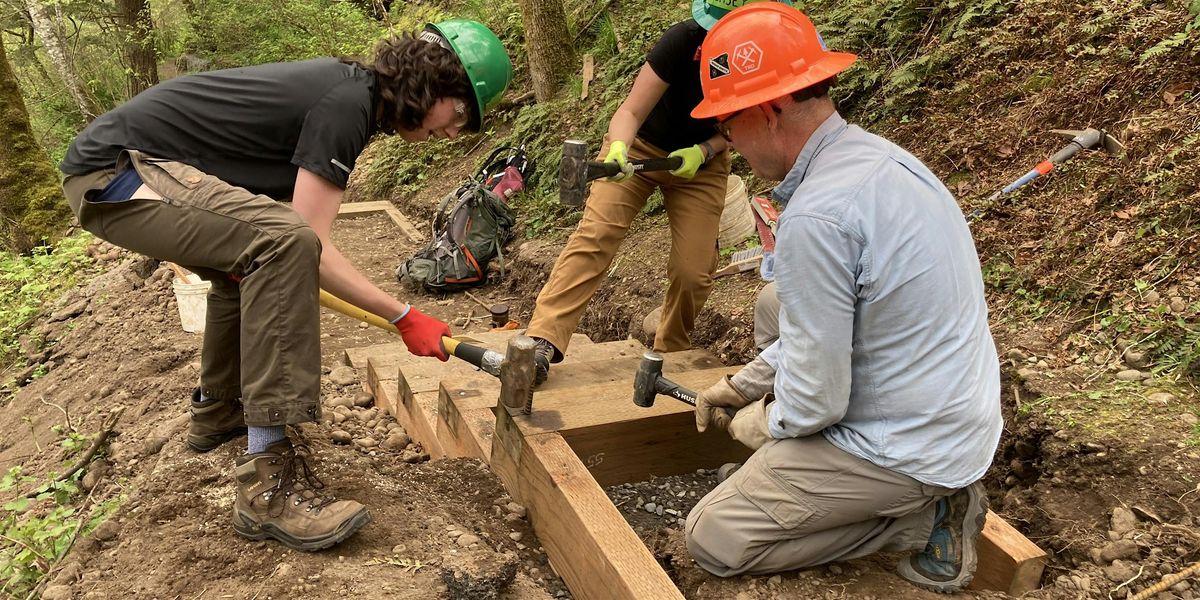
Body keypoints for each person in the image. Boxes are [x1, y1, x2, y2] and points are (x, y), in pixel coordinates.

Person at [58, 21, 512, 551]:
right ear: (433, 83)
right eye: (459, 113)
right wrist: (402, 316)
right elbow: (308, 246)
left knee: (252, 262)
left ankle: (220, 412)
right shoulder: (347, 102)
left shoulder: (349, 96)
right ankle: (266, 483)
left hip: (126, 172)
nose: (454, 132)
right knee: (282, 245)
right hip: (118, 175)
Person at [683, 4, 1003, 593]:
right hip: (950, 412)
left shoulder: (818, 218)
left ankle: (917, 517)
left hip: (909, 447)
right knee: (777, 304)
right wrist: (744, 384)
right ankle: (821, 486)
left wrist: (768, 421)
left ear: (767, 109)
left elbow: (818, 400)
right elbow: (826, 325)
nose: (729, 142)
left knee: (712, 537)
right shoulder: (881, 160)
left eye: (729, 125)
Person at [527, 0, 794, 383]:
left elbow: (749, 125)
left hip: (701, 163)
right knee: (597, 236)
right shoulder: (683, 41)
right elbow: (630, 112)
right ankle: (542, 339)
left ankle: (670, 356)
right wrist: (619, 149)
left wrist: (705, 150)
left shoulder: (764, 53)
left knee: (694, 269)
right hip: (640, 148)